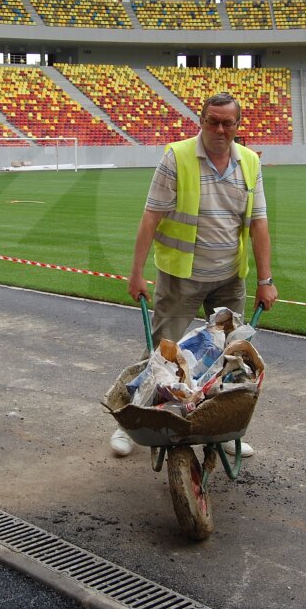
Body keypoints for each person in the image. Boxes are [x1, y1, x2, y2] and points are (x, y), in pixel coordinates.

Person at [112, 91, 278, 459]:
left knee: (231, 360)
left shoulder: (250, 162)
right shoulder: (177, 157)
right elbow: (151, 217)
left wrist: (265, 280)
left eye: (227, 122)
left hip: (229, 278)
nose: (220, 129)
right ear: (201, 121)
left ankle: (223, 431)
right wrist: (136, 274)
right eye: (212, 121)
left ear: (237, 125)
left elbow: (259, 224)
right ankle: (131, 424)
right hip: (180, 277)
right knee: (160, 354)